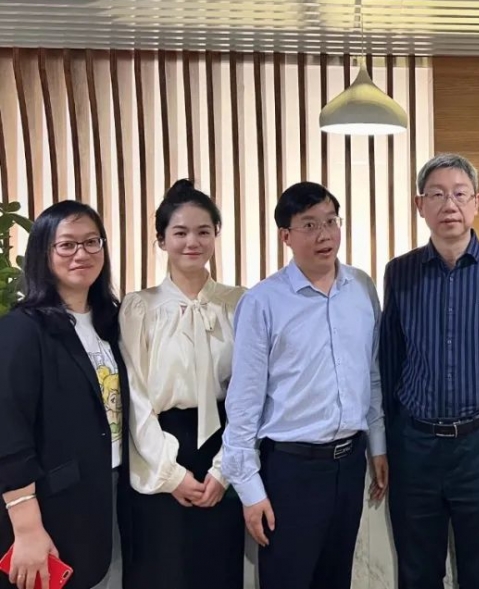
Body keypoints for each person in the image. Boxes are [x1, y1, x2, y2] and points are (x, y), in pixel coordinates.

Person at [380, 153, 479, 589]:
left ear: (477, 203)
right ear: (420, 205)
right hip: (415, 445)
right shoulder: (400, 272)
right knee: (417, 572)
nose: (449, 205)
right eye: (436, 195)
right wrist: (388, 439)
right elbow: (390, 359)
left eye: (459, 194)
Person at [221, 182, 387, 589]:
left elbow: (371, 373)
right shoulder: (263, 301)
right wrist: (250, 490)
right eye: (309, 225)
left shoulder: (361, 287)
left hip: (349, 463)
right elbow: (243, 403)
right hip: (290, 471)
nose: (324, 234)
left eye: (331, 221)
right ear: (286, 236)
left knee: (336, 579)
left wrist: (378, 444)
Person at [119, 180, 245, 589]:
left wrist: (225, 469)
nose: (193, 242)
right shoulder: (139, 307)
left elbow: (251, 393)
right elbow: (135, 394)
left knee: (218, 569)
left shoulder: (240, 303)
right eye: (180, 232)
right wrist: (170, 475)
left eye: (203, 231)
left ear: (216, 235)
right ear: (161, 240)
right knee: (162, 570)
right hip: (158, 448)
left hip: (225, 444)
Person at [0, 201, 130, 589]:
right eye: (67, 245)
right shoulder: (22, 329)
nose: (82, 254)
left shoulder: (112, 321)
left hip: (111, 490)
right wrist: (27, 527)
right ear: (44, 252)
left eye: (92, 242)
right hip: (51, 503)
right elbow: (8, 431)